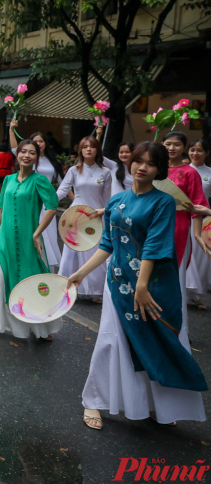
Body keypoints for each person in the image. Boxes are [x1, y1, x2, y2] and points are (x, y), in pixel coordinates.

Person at [68, 141, 208, 430]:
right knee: (110, 340)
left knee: (157, 340)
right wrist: (80, 274)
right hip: (118, 284)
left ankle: (157, 406)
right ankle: (94, 399)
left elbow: (155, 246)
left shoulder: (163, 202)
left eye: (151, 163)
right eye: (138, 161)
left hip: (153, 285)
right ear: (129, 163)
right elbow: (107, 243)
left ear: (159, 169)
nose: (142, 167)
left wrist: (142, 287)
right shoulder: (117, 202)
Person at [0, 139, 60, 340]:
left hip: (28, 240)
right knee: (0, 280)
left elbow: (52, 207)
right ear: (17, 155)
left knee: (29, 280)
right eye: (23, 151)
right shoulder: (8, 179)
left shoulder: (40, 180)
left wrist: (37, 234)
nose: (26, 155)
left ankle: (40, 327)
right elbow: (2, 210)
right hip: (4, 239)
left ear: (36, 157)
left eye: (31, 152)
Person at [54, 136, 112, 301]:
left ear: (97, 150)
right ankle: (65, 287)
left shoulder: (105, 172)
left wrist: (104, 213)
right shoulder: (74, 170)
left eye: (92, 147)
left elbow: (107, 199)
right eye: (85, 146)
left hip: (95, 215)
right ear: (80, 150)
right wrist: (48, 202)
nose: (88, 149)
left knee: (94, 251)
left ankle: (95, 290)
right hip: (76, 215)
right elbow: (62, 190)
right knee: (71, 251)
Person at [162, 131, 211, 310]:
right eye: (167, 144)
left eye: (176, 144)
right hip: (152, 229)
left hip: (179, 230)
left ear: (183, 148)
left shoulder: (190, 173)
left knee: (174, 279)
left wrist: (197, 235)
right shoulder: (155, 169)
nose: (171, 148)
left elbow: (197, 206)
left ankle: (177, 332)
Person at [9, 119, 62, 271]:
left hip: (47, 204)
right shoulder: (28, 158)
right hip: (29, 201)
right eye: (35, 141)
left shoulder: (52, 161)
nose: (38, 143)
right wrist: (11, 129)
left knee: (47, 237)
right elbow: (15, 148)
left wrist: (56, 198)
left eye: (41, 141)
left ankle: (46, 270)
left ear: (45, 143)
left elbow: (62, 183)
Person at [186, 138, 211, 308]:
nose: (195, 153)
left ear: (207, 153)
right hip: (183, 217)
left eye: (199, 150)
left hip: (203, 219)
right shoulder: (182, 170)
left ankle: (196, 296)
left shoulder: (209, 173)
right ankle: (181, 291)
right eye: (192, 149)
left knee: (201, 257)